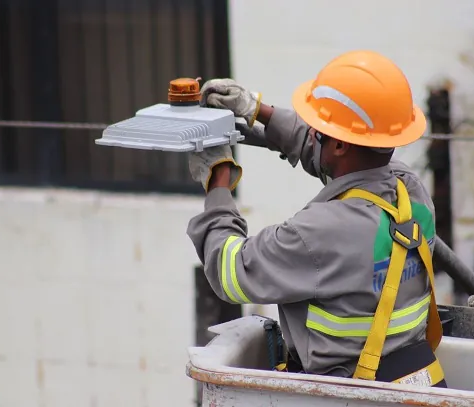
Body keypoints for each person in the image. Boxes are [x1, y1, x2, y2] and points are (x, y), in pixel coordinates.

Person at [186, 50, 446, 388]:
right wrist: (256, 110)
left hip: (346, 391)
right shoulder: (411, 191)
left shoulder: (317, 234)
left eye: (318, 128)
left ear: (338, 145)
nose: (310, 133)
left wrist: (217, 180)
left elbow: (230, 271)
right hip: (417, 382)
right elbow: (330, 153)